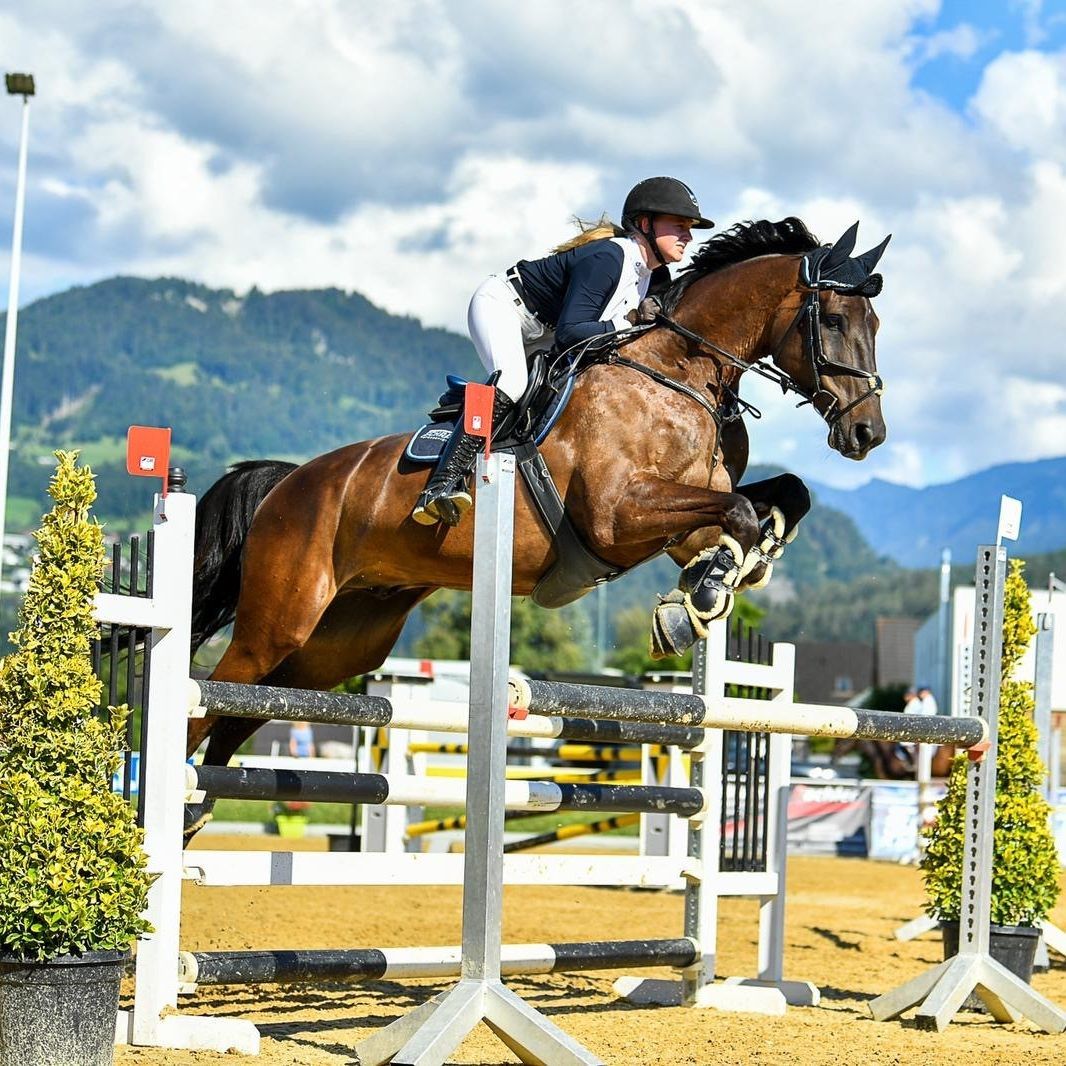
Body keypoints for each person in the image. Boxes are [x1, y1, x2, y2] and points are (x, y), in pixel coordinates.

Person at [411, 176, 715, 527]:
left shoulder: (655, 277)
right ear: (645, 224)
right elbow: (573, 332)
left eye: (689, 228)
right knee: (511, 383)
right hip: (506, 307)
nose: (688, 237)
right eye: (679, 226)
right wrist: (630, 320)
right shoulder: (608, 257)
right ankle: (440, 485)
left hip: (549, 331)